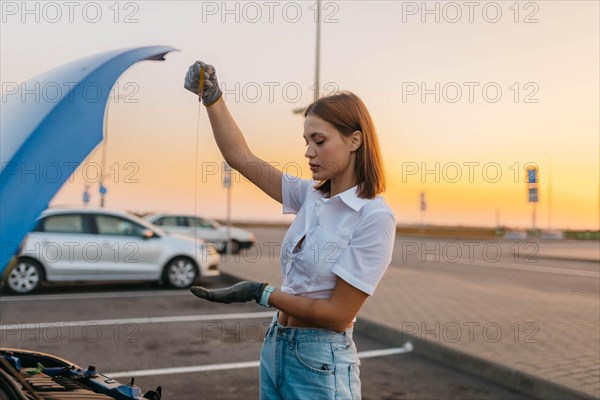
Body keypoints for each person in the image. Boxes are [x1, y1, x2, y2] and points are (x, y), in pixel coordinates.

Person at [184, 61, 396, 400]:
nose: (308, 152)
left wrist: (260, 292)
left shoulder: (373, 216)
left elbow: (339, 315)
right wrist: (213, 100)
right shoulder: (310, 195)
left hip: (320, 361)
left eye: (319, 140)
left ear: (354, 140)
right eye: (306, 140)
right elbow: (241, 157)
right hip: (276, 345)